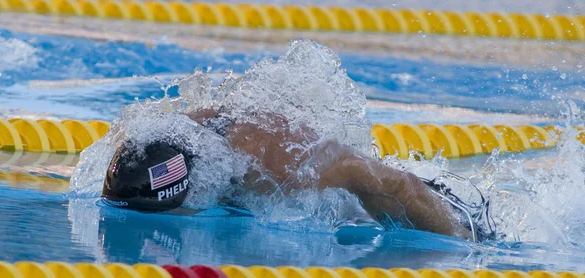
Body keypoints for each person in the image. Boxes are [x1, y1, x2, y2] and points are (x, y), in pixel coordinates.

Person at [101, 106, 496, 242]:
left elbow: (392, 183)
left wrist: (468, 241)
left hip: (419, 200)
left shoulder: (275, 167)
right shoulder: (142, 147)